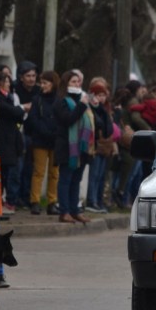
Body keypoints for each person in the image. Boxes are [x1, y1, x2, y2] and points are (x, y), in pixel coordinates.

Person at [54, 70, 94, 224]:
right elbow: (68, 119)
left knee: (76, 180)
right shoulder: (61, 101)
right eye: (73, 82)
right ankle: (64, 211)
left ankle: (74, 210)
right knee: (65, 179)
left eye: (78, 82)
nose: (77, 84)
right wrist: (82, 106)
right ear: (66, 84)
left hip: (81, 148)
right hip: (67, 148)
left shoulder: (82, 99)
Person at [25, 70, 60, 215]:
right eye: (42, 82)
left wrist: (54, 133)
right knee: (38, 172)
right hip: (40, 141)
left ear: (53, 84)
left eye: (46, 83)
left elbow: (61, 118)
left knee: (54, 173)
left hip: (55, 141)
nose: (43, 85)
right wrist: (44, 131)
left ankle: (52, 202)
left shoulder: (59, 100)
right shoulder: (37, 99)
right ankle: (35, 201)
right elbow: (33, 119)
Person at [0, 69, 27, 213]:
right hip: (3, 139)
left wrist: (19, 110)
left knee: (14, 172)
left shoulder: (11, 97)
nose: (8, 84)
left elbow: (19, 115)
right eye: (6, 81)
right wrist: (20, 109)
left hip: (13, 140)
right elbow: (13, 111)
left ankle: (11, 200)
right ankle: (3, 200)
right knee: (6, 173)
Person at [85, 77, 117, 213]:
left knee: (101, 175)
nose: (101, 98)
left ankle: (98, 200)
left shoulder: (105, 109)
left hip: (105, 146)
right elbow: (97, 124)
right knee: (94, 175)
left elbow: (109, 128)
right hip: (96, 146)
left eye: (103, 95)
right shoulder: (91, 108)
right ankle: (91, 201)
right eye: (99, 95)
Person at [13, 61, 39, 209]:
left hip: (34, 133)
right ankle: (16, 199)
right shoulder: (15, 89)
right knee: (19, 168)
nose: (31, 79)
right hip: (19, 133)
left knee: (30, 168)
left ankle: (26, 196)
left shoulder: (38, 91)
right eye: (28, 76)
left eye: (33, 76)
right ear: (21, 77)